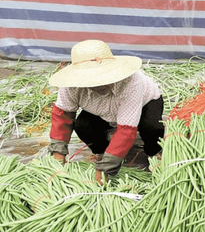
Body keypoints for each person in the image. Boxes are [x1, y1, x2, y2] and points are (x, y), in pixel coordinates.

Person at [48, 40, 164, 184]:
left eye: (104, 77)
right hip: (100, 111)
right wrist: (58, 157)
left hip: (145, 104)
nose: (100, 84)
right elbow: (62, 117)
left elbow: (126, 130)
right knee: (83, 127)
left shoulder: (132, 82)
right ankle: (102, 152)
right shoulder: (71, 86)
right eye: (93, 81)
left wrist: (105, 169)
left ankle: (155, 152)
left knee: (151, 128)